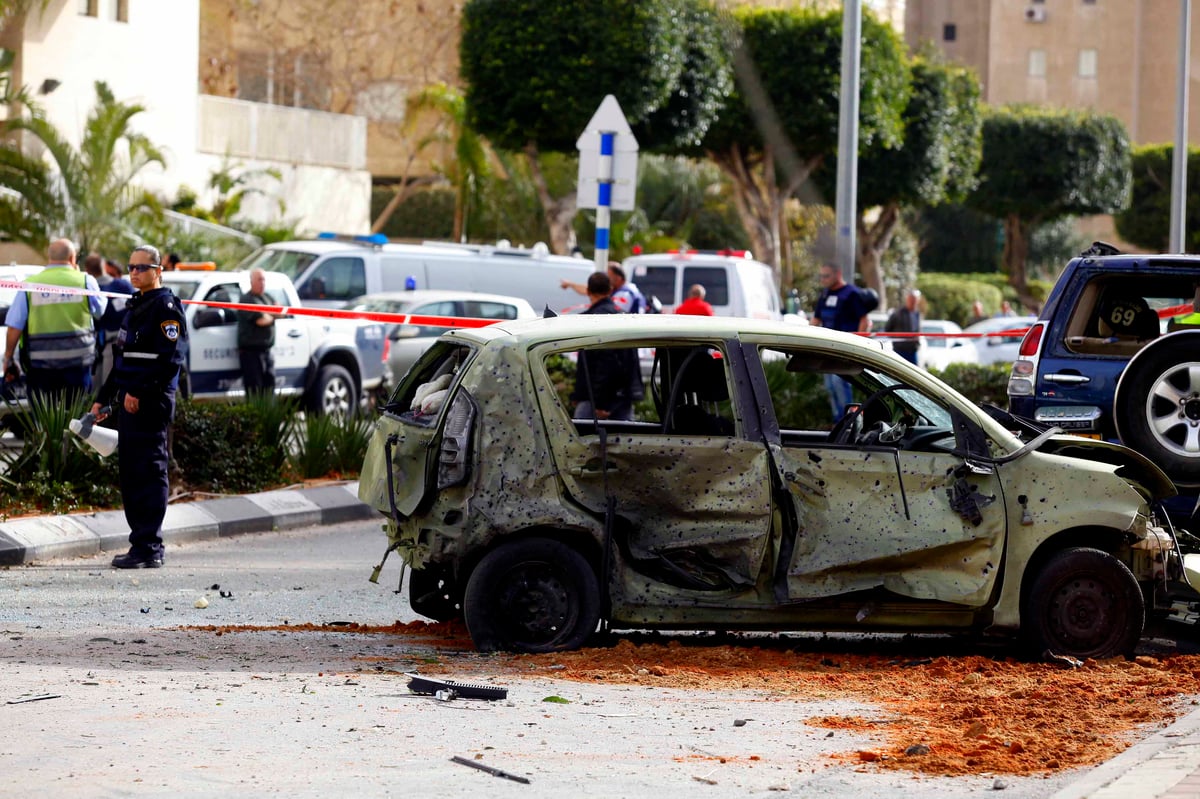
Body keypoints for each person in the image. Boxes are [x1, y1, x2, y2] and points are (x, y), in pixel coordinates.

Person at [91, 244, 188, 569]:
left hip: (151, 402)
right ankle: (140, 543)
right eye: (131, 267)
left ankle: (150, 546)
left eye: (141, 268)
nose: (134, 273)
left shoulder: (166, 307)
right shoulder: (136, 306)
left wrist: (139, 392)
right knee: (132, 474)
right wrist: (102, 399)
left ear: (157, 270)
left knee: (150, 471)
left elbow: (169, 361)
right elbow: (122, 361)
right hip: (129, 401)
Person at [2, 238, 105, 403]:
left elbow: (15, 326)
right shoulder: (85, 281)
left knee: (44, 423)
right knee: (75, 422)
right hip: (77, 367)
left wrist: (8, 358)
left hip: (41, 369)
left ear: (49, 258)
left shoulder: (30, 284)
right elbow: (100, 312)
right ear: (72, 258)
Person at [570, 272, 643, 421]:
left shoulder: (590, 320)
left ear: (588, 291)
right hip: (623, 397)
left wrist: (600, 403)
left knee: (582, 439)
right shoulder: (624, 317)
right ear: (610, 290)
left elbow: (603, 363)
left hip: (595, 398)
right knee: (625, 441)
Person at [810, 264, 870, 420]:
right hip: (827, 350)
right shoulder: (825, 294)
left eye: (826, 276)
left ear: (838, 274)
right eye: (821, 276)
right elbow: (816, 320)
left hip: (844, 350)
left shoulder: (852, 294)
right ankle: (837, 422)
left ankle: (848, 423)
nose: (823, 280)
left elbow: (865, 321)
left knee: (840, 385)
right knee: (830, 388)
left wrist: (858, 345)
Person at [84, 252, 134, 386]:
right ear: (103, 267)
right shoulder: (124, 286)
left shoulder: (89, 288)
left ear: (87, 270)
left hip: (104, 345)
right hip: (123, 343)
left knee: (101, 392)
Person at [237, 268, 276, 395]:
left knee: (269, 387)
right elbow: (261, 320)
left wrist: (270, 314)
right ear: (251, 281)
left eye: (264, 279)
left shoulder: (267, 297)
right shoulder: (247, 299)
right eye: (259, 279)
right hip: (251, 353)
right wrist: (272, 314)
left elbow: (279, 311)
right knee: (255, 390)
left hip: (267, 351)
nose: (262, 283)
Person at [561, 261, 646, 314]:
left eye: (609, 276)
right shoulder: (625, 289)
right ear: (610, 289)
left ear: (618, 278)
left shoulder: (624, 294)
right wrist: (570, 284)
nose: (606, 277)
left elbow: (612, 314)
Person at [884, 288, 922, 365]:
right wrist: (899, 338)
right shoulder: (898, 313)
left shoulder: (917, 313)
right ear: (907, 300)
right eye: (911, 299)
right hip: (899, 350)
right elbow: (887, 330)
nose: (913, 302)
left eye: (915, 300)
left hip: (912, 350)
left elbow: (917, 330)